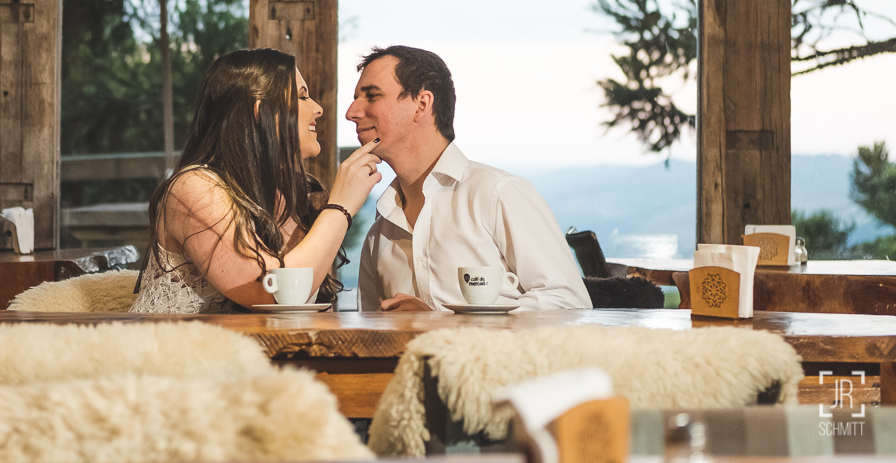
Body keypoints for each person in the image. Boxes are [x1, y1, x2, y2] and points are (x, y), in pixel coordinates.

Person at [131, 48, 383, 313]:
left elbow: (315, 309)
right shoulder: (193, 188)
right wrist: (340, 207)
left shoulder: (301, 196)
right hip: (174, 340)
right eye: (302, 97)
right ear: (262, 113)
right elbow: (273, 295)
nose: (318, 109)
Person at [348, 45, 591, 312]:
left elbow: (570, 303)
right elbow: (369, 328)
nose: (351, 112)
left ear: (422, 103)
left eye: (372, 96)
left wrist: (440, 325)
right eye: (356, 98)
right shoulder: (379, 232)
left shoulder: (498, 193)